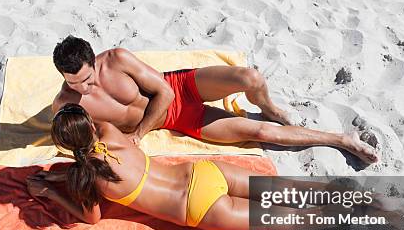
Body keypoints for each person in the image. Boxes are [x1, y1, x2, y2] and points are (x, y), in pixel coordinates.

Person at [27, 104, 404, 230]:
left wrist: (53, 190)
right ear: (90, 126)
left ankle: (381, 216)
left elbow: (91, 218)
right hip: (206, 174)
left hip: (198, 209)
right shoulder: (112, 132)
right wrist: (64, 173)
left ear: (66, 149)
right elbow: (105, 158)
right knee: (300, 190)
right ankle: (375, 197)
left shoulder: (85, 179)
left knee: (303, 219)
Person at [51, 36, 379, 164]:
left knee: (250, 78)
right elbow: (85, 145)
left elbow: (164, 92)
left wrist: (137, 135)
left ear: (94, 61)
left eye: (87, 78)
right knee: (259, 134)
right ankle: (340, 140)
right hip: (180, 121)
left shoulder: (118, 59)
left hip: (179, 89)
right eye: (74, 83)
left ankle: (270, 108)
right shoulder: (66, 105)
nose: (84, 88)